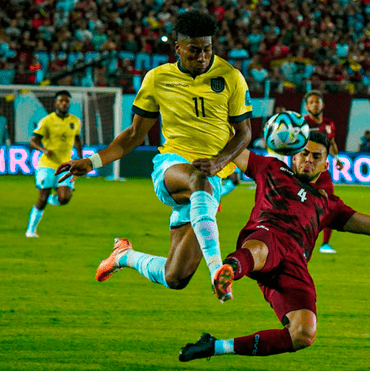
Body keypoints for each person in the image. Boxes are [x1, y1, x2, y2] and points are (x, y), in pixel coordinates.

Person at [179, 131, 370, 361]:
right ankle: (227, 270)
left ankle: (215, 346)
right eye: (304, 153)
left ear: (325, 165)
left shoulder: (329, 204)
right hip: (265, 236)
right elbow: (235, 148)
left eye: (316, 156)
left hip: (293, 263)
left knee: (303, 334)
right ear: (293, 155)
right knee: (264, 245)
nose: (308, 158)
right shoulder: (270, 167)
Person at [55, 11, 253, 303]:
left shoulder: (231, 77)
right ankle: (217, 271)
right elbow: (135, 135)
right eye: (194, 50)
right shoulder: (158, 79)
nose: (202, 57)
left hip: (211, 180)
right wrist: (93, 161)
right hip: (172, 168)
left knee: (176, 277)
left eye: (208, 50)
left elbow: (244, 133)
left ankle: (123, 256)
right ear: (178, 48)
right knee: (198, 179)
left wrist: (221, 161)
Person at [25, 90, 82, 238]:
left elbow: (77, 139)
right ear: (56, 103)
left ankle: (52, 198)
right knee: (41, 200)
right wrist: (43, 149)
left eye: (66, 101)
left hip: (66, 166)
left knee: (64, 199)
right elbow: (33, 140)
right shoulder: (47, 121)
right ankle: (31, 230)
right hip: (47, 165)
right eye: (61, 101)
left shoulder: (75, 121)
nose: (64, 103)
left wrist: (81, 159)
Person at [303, 90, 344, 254]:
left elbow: (332, 143)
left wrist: (337, 158)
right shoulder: (302, 124)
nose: (315, 104)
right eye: (311, 102)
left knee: (330, 206)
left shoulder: (329, 123)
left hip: (323, 172)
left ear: (322, 105)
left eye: (317, 101)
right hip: (305, 173)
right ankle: (300, 243)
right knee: (303, 208)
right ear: (306, 106)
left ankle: (325, 244)